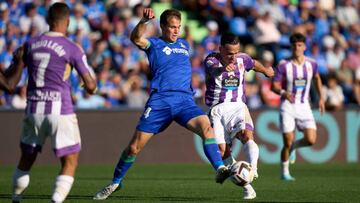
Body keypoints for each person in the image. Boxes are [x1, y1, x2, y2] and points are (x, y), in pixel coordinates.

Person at [93, 8, 228, 200]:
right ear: (163, 26)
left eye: (178, 27)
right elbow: (136, 38)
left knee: (206, 127)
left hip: (184, 101)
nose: (176, 31)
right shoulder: (154, 44)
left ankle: (220, 168)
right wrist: (143, 21)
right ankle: (115, 182)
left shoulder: (184, 44)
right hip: (160, 102)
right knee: (133, 148)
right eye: (172, 27)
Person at [11, 3, 97, 203]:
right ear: (67, 22)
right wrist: (91, 88)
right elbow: (91, 84)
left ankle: (15, 196)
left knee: (27, 158)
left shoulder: (30, 43)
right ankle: (56, 200)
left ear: (48, 21)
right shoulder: (72, 48)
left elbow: (12, 76)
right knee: (70, 160)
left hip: (33, 108)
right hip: (61, 109)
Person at [204, 33, 274, 200]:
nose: (233, 57)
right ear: (220, 49)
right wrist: (222, 69)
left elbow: (254, 63)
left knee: (246, 135)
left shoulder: (242, 59)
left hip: (237, 107)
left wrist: (265, 70)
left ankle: (253, 170)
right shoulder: (211, 60)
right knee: (223, 151)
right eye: (229, 53)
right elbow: (213, 71)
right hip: (217, 111)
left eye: (236, 52)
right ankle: (248, 188)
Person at [271, 33, 325, 181]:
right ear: (291, 47)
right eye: (294, 45)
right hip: (287, 106)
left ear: (304, 46)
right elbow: (273, 86)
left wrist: (321, 97)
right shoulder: (283, 65)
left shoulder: (311, 64)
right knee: (287, 141)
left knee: (311, 140)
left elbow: (317, 78)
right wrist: (283, 92)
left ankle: (294, 147)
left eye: (300, 45)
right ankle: (285, 172)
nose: (297, 48)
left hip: (304, 105)